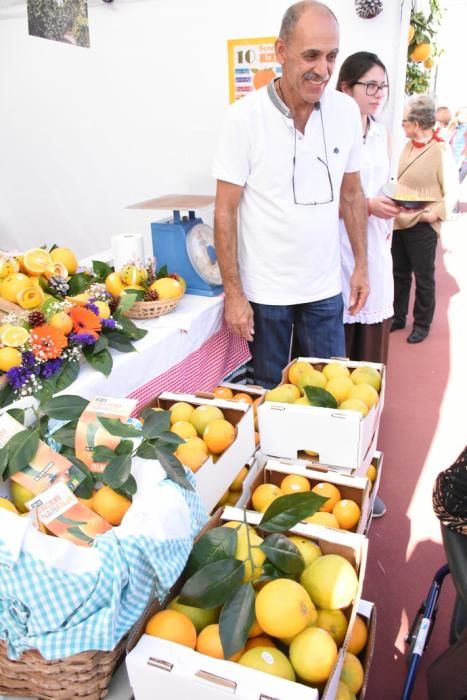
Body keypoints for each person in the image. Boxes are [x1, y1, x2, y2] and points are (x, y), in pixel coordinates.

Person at [212, 0, 369, 389]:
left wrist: (361, 265)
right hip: (266, 293)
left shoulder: (347, 112)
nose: (324, 69)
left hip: (324, 288)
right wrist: (234, 293)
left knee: (330, 391)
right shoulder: (243, 118)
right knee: (270, 395)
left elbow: (352, 195)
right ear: (281, 52)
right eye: (311, 55)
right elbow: (225, 212)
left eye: (332, 56)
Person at [336, 52, 400, 366]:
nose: (378, 95)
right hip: (335, 244)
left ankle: (369, 414)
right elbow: (317, 201)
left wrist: (393, 203)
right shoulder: (329, 135)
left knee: (372, 339)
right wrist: (369, 205)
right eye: (370, 86)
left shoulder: (382, 135)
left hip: (375, 242)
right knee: (337, 342)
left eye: (383, 87)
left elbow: (383, 184)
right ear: (346, 88)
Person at [391, 95, 459, 344]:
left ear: (416, 123)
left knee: (424, 277)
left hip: (422, 225)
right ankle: (398, 316)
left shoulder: (440, 149)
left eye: (404, 121)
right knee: (398, 273)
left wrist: (435, 214)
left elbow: (451, 190)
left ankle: (421, 323)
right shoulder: (407, 146)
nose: (402, 126)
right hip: (400, 220)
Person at [449, 106, 467, 183]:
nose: (463, 115)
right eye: (461, 113)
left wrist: (459, 163)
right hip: (454, 162)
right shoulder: (456, 129)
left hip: (462, 163)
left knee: (455, 187)